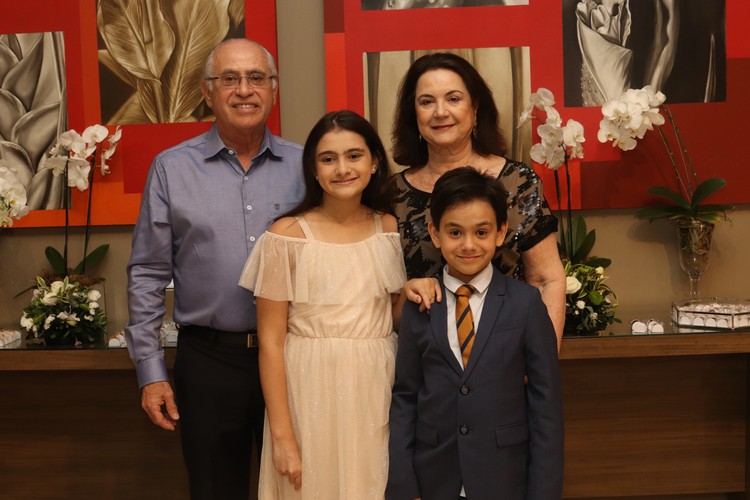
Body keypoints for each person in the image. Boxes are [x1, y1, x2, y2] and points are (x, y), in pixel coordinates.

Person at [125, 38, 305, 500]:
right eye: (230, 79)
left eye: (256, 78)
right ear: (207, 91)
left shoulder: (306, 166)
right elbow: (147, 273)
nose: (244, 90)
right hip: (209, 362)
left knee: (300, 487)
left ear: (274, 89)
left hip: (296, 357)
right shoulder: (171, 169)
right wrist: (151, 370)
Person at [239, 110, 407, 499]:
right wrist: (282, 436)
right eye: (328, 158)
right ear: (313, 170)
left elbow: (393, 317)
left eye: (354, 155)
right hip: (309, 389)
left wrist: (415, 291)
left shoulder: (387, 227)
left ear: (374, 162)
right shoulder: (286, 236)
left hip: (376, 387)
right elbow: (271, 343)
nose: (342, 169)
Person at [386, 167, 564, 500]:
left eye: (481, 232)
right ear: (435, 233)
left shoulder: (525, 304)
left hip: (504, 477)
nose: (468, 245)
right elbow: (405, 399)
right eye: (455, 232)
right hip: (434, 477)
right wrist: (404, 486)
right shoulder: (419, 305)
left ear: (501, 232)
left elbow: (546, 408)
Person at [390, 51, 566, 346]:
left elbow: (546, 280)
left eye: (453, 99)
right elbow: (386, 298)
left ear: (475, 108)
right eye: (426, 102)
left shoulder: (518, 182)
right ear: (413, 114)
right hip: (423, 360)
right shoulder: (392, 195)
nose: (440, 112)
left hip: (507, 353)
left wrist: (542, 360)